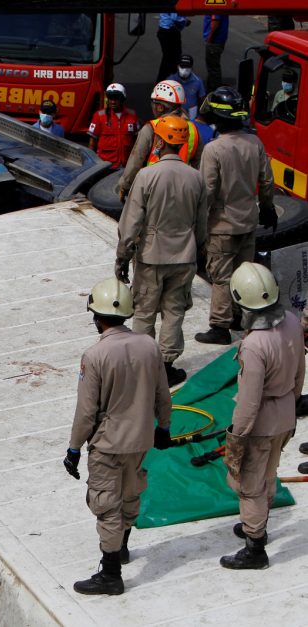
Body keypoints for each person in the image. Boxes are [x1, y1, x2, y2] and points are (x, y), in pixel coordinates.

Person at [63, 278, 172, 595]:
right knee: (130, 495)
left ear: (96, 316)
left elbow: (86, 412)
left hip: (108, 444)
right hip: (140, 440)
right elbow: (162, 394)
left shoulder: (94, 356)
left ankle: (111, 574)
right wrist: (163, 427)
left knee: (106, 505)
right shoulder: (149, 345)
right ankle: (122, 548)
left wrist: (73, 449)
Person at [220, 263, 304, 569]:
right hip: (285, 413)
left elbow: (249, 401)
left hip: (261, 421)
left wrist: (237, 436)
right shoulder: (293, 322)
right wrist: (290, 407)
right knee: (268, 473)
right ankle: (257, 526)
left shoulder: (254, 344)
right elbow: (299, 374)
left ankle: (254, 546)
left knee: (250, 484)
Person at [115, 116, 208, 387]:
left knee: (144, 311)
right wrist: (197, 248)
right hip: (184, 255)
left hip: (151, 256)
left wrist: (122, 256)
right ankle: (166, 367)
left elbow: (131, 222)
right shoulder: (195, 178)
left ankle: (143, 367)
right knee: (174, 311)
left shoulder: (146, 176)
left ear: (159, 142)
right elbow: (202, 223)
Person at [194, 87, 276, 345]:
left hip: (221, 225)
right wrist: (268, 208)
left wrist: (198, 224)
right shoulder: (255, 143)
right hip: (248, 222)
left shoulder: (214, 149)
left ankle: (219, 326)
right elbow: (266, 181)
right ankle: (240, 315)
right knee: (244, 272)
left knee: (221, 277)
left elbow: (207, 191)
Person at [117, 80, 202, 203]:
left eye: (154, 104)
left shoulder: (151, 128)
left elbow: (136, 160)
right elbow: (199, 165)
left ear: (160, 107)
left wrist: (124, 185)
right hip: (183, 193)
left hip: (154, 192)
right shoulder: (193, 129)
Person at [88, 83, 140, 169]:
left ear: (122, 99)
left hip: (126, 166)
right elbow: (92, 143)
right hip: (105, 167)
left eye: (116, 98)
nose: (112, 101)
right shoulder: (99, 116)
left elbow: (137, 141)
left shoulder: (132, 115)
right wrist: (91, 164)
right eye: (110, 98)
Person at [168, 54, 207, 120]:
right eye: (182, 67)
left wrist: (200, 115)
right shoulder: (170, 80)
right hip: (175, 110)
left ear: (192, 68)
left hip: (192, 112)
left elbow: (202, 99)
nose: (185, 70)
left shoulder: (198, 81)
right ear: (178, 66)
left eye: (187, 67)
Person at [156, 13, 190, 83]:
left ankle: (170, 79)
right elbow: (175, 18)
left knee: (170, 58)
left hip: (167, 30)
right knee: (171, 58)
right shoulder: (173, 3)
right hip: (169, 31)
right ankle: (163, 80)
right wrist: (185, 21)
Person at [203, 15, 229, 92]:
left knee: (213, 69)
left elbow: (215, 22)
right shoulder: (220, 4)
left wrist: (210, 38)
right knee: (213, 67)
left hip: (214, 41)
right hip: (217, 41)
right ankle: (211, 88)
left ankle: (215, 91)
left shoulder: (215, 4)